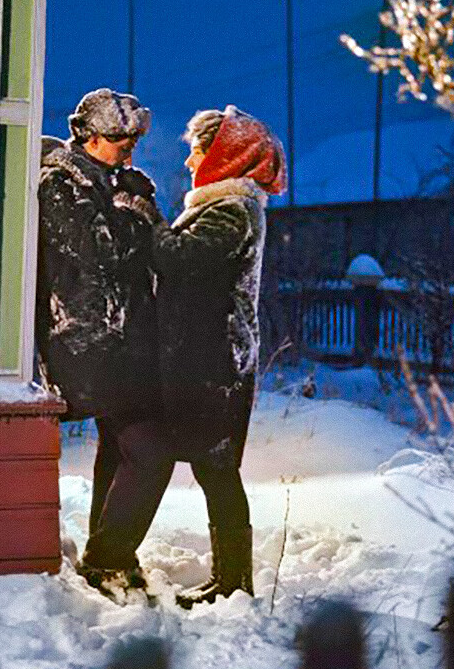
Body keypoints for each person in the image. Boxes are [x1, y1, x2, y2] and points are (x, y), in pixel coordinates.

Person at [152, 106, 286, 607]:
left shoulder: (231, 210)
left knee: (217, 471)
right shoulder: (223, 207)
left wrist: (148, 220)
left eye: (198, 149)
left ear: (223, 156)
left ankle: (234, 583)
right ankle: (229, 579)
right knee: (215, 470)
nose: (190, 161)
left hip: (216, 363)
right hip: (210, 358)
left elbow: (182, 262)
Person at [36, 87, 168, 589]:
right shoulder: (61, 182)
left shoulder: (117, 182)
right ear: (88, 137)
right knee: (151, 448)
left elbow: (156, 250)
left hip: (125, 339)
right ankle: (108, 557)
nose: (129, 146)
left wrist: (136, 204)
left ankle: (105, 554)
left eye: (133, 137)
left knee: (120, 450)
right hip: (86, 340)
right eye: (119, 137)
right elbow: (97, 253)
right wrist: (133, 210)